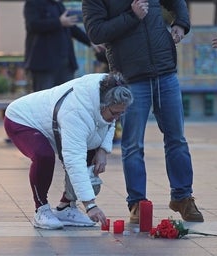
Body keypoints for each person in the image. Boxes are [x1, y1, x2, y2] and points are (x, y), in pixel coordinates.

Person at [82, 0, 204, 223]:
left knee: (177, 139)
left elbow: (177, 2)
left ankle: (183, 197)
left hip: (165, 72)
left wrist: (181, 23)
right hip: (131, 78)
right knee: (132, 145)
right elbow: (96, 32)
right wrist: (132, 15)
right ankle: (137, 203)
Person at [4, 72, 133, 229]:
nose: (117, 119)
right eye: (115, 113)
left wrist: (103, 150)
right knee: (44, 155)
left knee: (92, 146)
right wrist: (90, 205)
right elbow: (73, 159)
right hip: (22, 119)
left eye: (122, 113)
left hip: (53, 122)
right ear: (102, 105)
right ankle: (41, 209)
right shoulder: (77, 111)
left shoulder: (111, 88)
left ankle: (65, 207)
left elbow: (109, 123)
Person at [23, 0, 102, 92]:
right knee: (44, 99)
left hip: (65, 64)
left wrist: (90, 41)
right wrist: (58, 22)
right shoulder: (33, 3)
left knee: (67, 98)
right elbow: (33, 25)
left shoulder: (58, 4)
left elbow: (71, 27)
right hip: (44, 66)